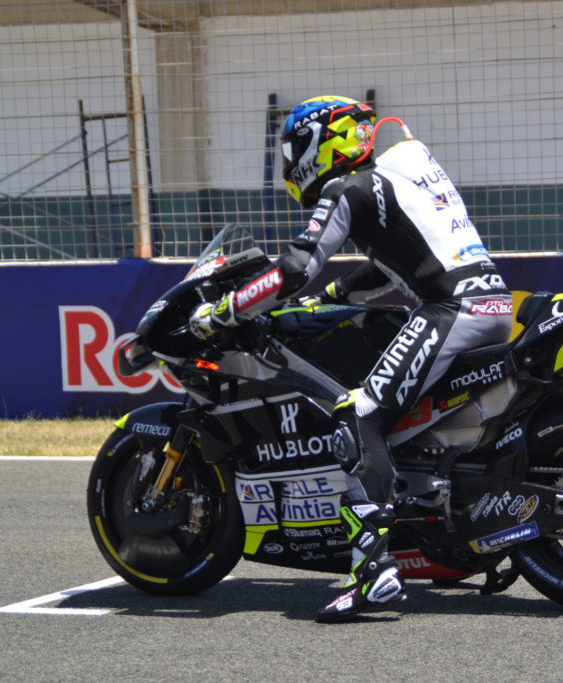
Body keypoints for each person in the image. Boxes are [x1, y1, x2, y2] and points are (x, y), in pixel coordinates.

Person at [188, 95, 512, 621]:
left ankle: (373, 572)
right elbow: (389, 269)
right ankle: (438, 519)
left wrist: (226, 311)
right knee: (403, 422)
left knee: (358, 415)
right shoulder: (393, 180)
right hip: (491, 304)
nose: (291, 164)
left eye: (294, 150)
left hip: (452, 309)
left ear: (322, 143)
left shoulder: (347, 188)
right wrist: (328, 297)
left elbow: (295, 267)